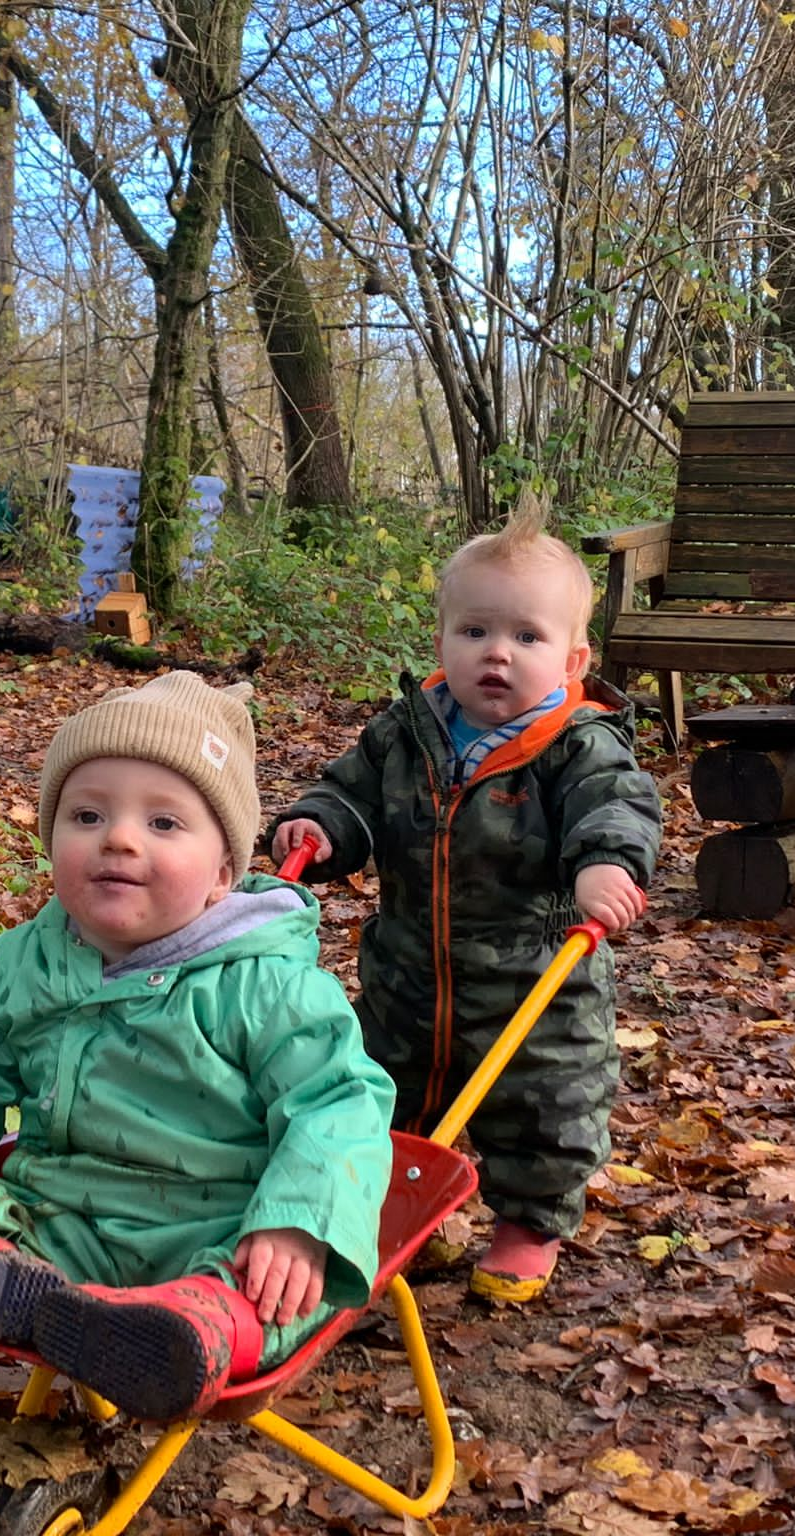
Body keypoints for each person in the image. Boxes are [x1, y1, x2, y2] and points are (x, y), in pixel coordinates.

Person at [0, 671, 395, 1421]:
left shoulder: (265, 985)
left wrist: (298, 1222)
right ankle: (17, 1290)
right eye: (86, 814)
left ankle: (187, 1330)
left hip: (220, 1230)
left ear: (224, 875)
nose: (120, 837)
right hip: (59, 1216)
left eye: (165, 824)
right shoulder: (27, 966)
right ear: (51, 839)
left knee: (272, 1293)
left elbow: (340, 1102)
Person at [269, 505, 660, 1304]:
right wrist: (322, 827)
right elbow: (351, 793)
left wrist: (603, 864)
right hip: (409, 968)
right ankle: (398, 1209)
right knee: (384, 1089)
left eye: (527, 637)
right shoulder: (406, 733)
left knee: (542, 1102)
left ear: (573, 658)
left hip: (534, 977)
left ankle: (527, 1223)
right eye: (476, 631)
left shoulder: (579, 745)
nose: (497, 654)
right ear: (443, 640)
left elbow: (612, 805)